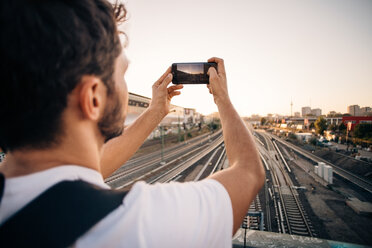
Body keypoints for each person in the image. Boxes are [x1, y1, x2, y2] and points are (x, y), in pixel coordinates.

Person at [0, 0, 265, 247]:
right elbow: (249, 173)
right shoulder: (136, 224)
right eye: (122, 73)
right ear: (93, 97)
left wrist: (154, 112)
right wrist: (223, 99)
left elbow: (84, 168)